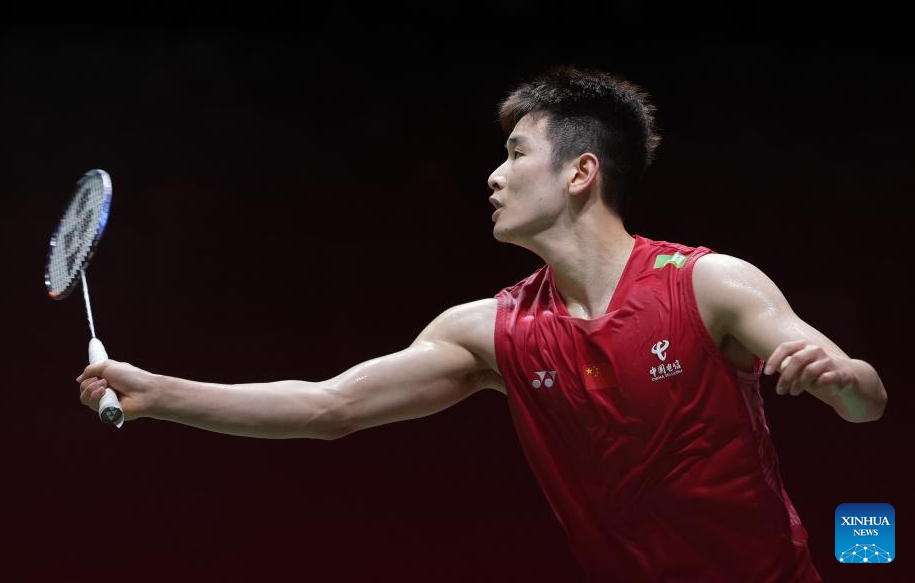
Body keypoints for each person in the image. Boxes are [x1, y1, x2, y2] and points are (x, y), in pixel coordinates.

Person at [76, 66, 887, 582]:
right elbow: (330, 406)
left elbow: (864, 402)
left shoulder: (707, 284)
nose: (493, 177)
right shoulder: (489, 331)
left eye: (515, 154)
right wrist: (159, 395)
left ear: (580, 172)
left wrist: (841, 379)